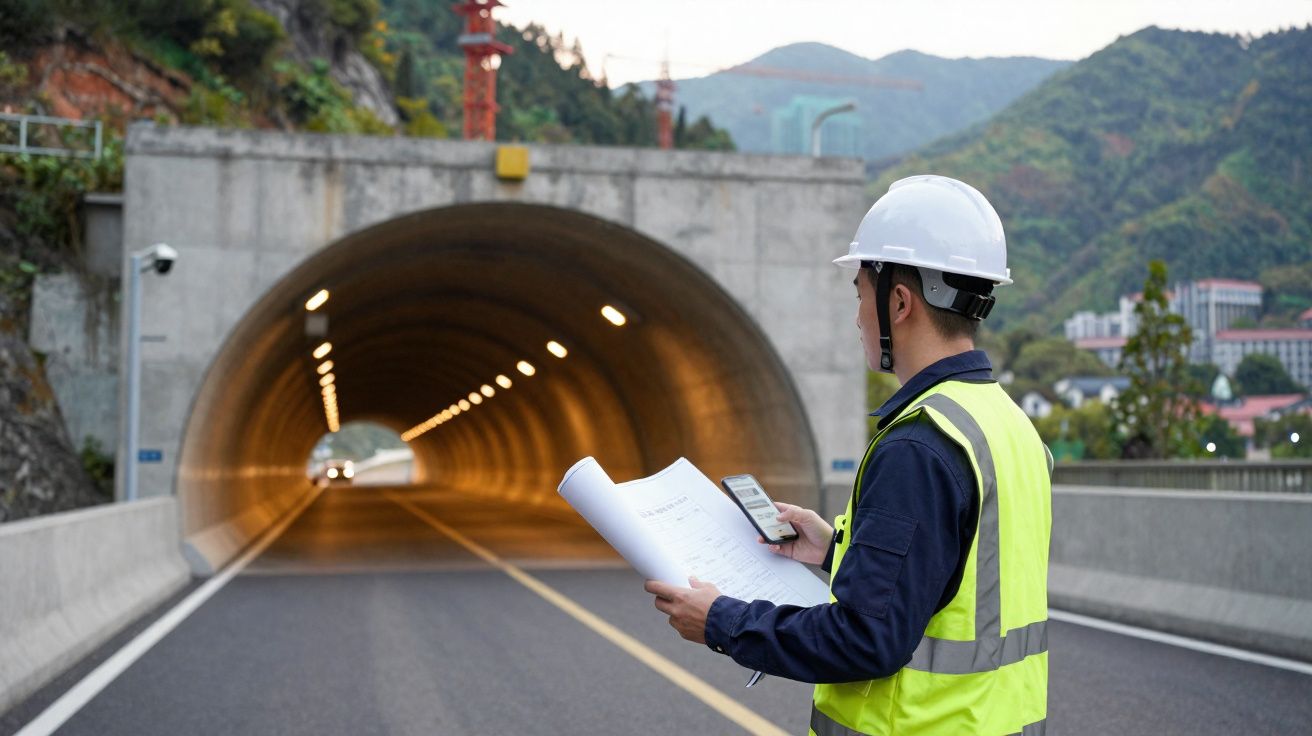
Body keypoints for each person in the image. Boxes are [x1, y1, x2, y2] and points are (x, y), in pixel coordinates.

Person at [645, 175, 1053, 735]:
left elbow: (865, 640)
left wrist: (723, 621)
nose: (858, 315)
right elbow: (955, 578)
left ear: (900, 302)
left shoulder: (918, 445)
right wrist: (838, 547)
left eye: (861, 292)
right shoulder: (1007, 424)